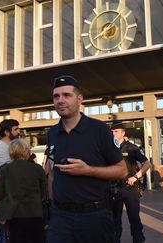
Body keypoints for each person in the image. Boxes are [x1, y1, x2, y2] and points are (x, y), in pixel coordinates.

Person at [46, 75, 128, 243]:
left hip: (95, 217)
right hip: (60, 218)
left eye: (67, 95)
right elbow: (52, 173)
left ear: (80, 99)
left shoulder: (99, 130)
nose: (60, 100)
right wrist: (52, 206)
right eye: (56, 96)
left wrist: (88, 170)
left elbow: (122, 171)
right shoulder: (52, 133)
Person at [0, 138, 47, 243]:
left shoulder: (4, 169)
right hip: (35, 214)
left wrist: (3, 205)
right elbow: (44, 194)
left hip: (13, 216)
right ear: (27, 151)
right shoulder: (38, 169)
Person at [111, 122, 151, 243]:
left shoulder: (132, 148)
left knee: (134, 218)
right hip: (113, 188)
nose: (113, 133)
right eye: (112, 131)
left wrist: (136, 177)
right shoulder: (108, 148)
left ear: (123, 133)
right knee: (114, 220)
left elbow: (147, 164)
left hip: (129, 187)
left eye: (116, 131)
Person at [0, 119, 20, 243]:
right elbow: (9, 170)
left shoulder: (13, 144)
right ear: (7, 132)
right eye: (16, 129)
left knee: (13, 227)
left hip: (15, 190)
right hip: (7, 192)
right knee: (6, 228)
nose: (19, 132)